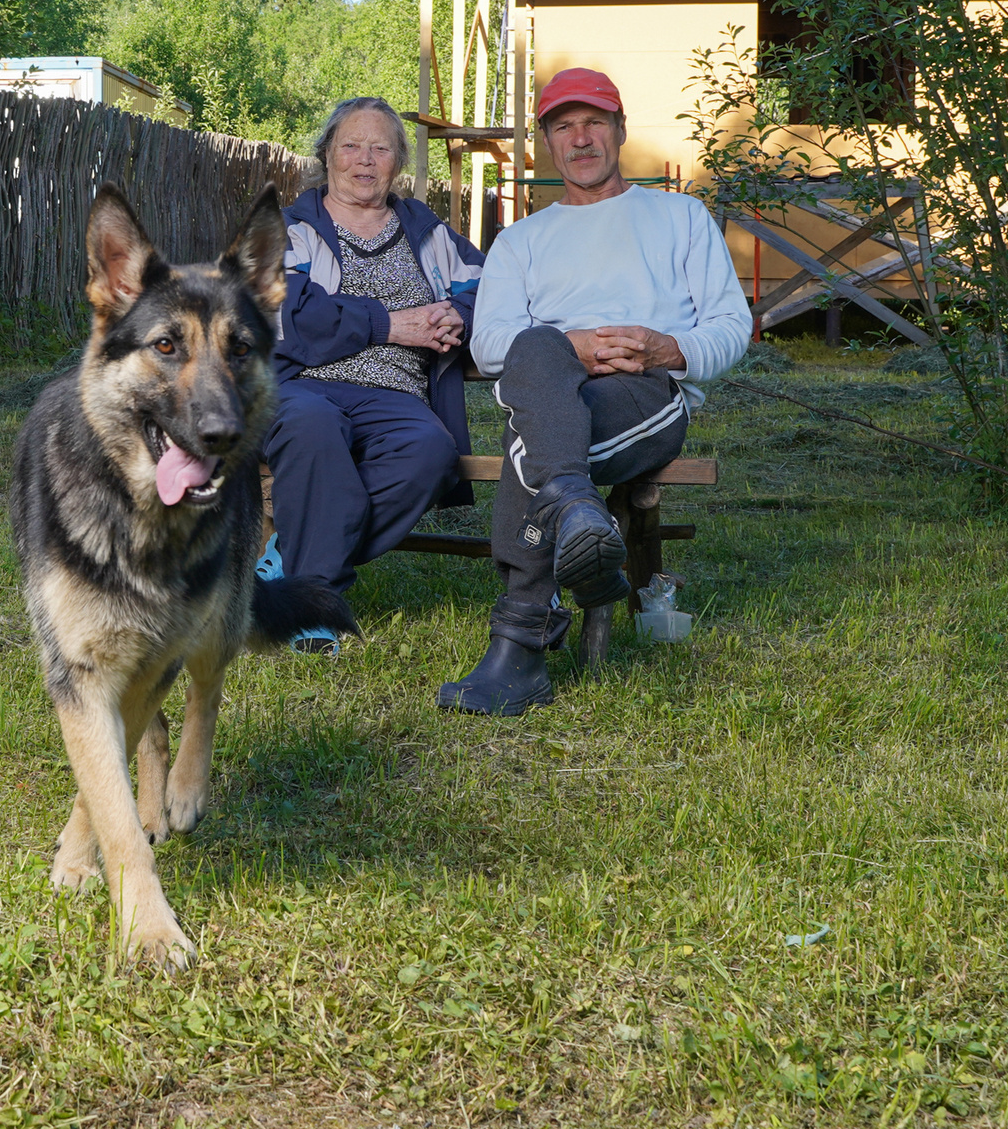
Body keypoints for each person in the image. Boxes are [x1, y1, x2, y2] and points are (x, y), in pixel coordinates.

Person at [438, 68, 750, 715]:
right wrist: (572, 345)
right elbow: (491, 341)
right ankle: (578, 516)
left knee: (534, 454)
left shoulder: (679, 216)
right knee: (533, 350)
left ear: (619, 130)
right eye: (563, 126)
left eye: (594, 123)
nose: (580, 139)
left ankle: (519, 646)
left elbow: (731, 326)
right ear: (547, 142)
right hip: (552, 387)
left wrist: (669, 348)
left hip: (643, 392)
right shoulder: (521, 240)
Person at [262, 97, 486, 647]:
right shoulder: (291, 229)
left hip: (397, 396)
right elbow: (287, 313)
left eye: (381, 148)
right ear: (327, 156)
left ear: (398, 162)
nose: (365, 160)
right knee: (312, 426)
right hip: (302, 385)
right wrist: (389, 325)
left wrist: (458, 313)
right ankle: (315, 602)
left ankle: (291, 557)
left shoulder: (429, 235)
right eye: (351, 146)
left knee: (431, 454)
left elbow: (493, 287)